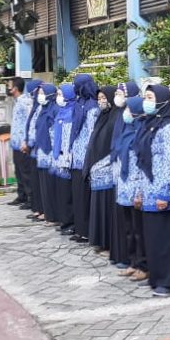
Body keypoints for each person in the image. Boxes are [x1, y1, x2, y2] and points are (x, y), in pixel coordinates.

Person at [135, 84, 170, 297]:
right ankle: (157, 277)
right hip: (149, 191)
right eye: (145, 97)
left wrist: (163, 193)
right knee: (154, 238)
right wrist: (140, 192)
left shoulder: (169, 128)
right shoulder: (149, 124)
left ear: (163, 101)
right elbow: (142, 160)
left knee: (167, 239)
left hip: (166, 192)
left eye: (150, 97)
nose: (146, 102)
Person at [85, 84, 122, 253]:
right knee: (98, 207)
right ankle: (99, 241)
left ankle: (107, 242)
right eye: (99, 99)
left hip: (107, 170)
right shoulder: (102, 116)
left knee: (106, 207)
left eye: (104, 98)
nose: (101, 101)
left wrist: (101, 164)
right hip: (96, 170)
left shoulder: (116, 117)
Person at [115, 95, 148, 283]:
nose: (126, 112)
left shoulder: (141, 133)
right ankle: (133, 262)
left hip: (136, 189)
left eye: (129, 109)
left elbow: (143, 165)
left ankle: (143, 265)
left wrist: (139, 192)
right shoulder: (126, 131)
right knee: (129, 229)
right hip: (125, 188)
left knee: (138, 230)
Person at [108, 80, 139, 268]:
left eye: (120, 93)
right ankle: (125, 257)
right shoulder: (120, 115)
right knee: (125, 221)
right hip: (120, 172)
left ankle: (135, 261)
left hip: (133, 179)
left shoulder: (136, 119)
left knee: (135, 224)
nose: (117, 97)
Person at [68, 73, 100, 244]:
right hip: (76, 157)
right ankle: (79, 228)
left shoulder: (93, 107)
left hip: (85, 159)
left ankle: (86, 231)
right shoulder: (80, 103)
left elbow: (92, 135)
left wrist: (90, 158)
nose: (75, 88)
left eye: (77, 85)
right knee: (77, 196)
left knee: (84, 197)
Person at [49, 83, 78, 235]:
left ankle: (71, 223)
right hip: (59, 158)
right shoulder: (61, 112)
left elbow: (70, 138)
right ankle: (64, 221)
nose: (58, 98)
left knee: (69, 194)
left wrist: (67, 156)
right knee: (62, 192)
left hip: (68, 159)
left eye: (61, 94)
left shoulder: (73, 112)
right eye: (58, 94)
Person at [32, 83, 58, 223]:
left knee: (50, 186)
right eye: (39, 93)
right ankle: (46, 212)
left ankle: (52, 215)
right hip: (41, 153)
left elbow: (54, 132)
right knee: (43, 186)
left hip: (50, 154)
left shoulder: (54, 109)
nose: (40, 96)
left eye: (43, 93)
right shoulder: (42, 109)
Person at [8, 77, 33, 208]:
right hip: (16, 143)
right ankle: (21, 195)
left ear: (16, 88)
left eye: (10, 86)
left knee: (25, 172)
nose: (8, 88)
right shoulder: (17, 102)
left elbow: (30, 122)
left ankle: (30, 198)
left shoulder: (26, 102)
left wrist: (26, 141)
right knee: (18, 171)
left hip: (23, 143)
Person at [24, 79, 45, 220]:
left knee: (40, 182)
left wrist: (29, 143)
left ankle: (42, 210)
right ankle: (37, 208)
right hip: (33, 151)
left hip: (39, 150)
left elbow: (37, 129)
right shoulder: (35, 107)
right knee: (35, 181)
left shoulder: (41, 108)